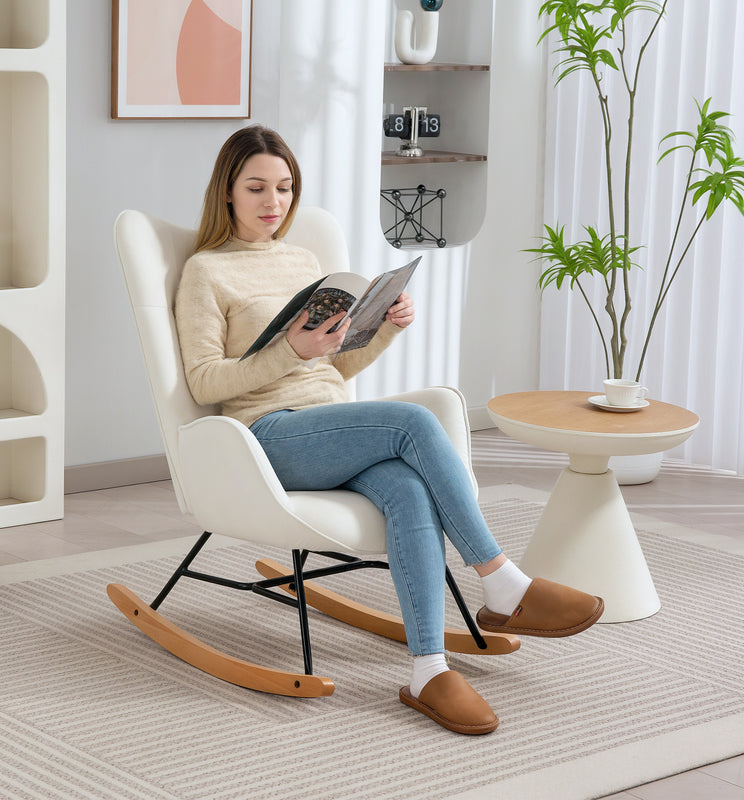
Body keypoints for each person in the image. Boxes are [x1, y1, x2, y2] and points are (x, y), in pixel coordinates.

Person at [175, 124, 603, 735]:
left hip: (327, 423)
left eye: (285, 188)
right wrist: (290, 353)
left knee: (406, 488)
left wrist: (383, 329)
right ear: (228, 193)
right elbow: (203, 383)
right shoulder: (206, 271)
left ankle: (428, 669)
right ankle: (503, 582)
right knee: (411, 421)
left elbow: (336, 366)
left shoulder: (302, 260)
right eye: (257, 188)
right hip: (265, 436)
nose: (274, 203)